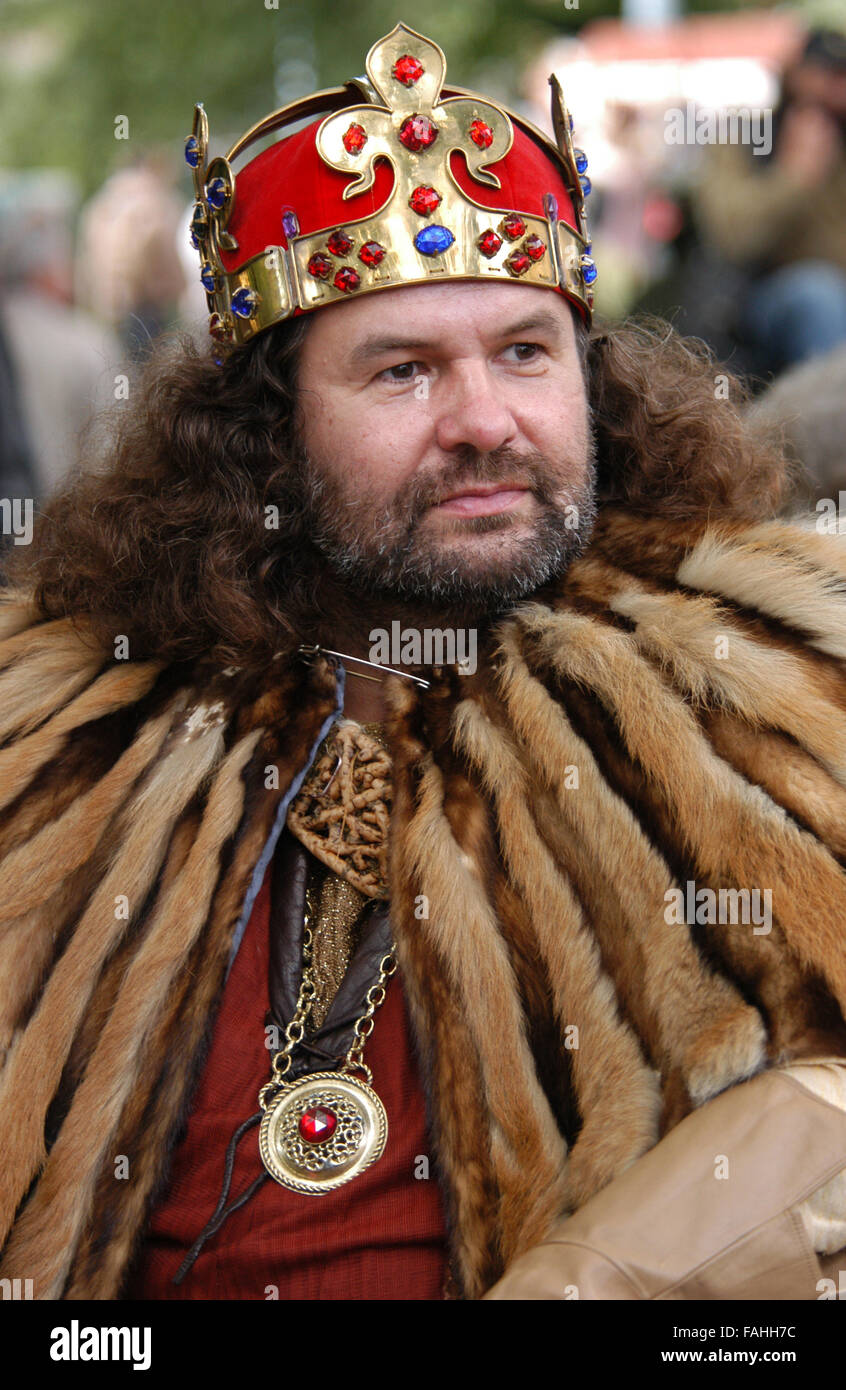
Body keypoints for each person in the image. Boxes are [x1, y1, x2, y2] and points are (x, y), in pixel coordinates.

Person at [0, 21, 845, 1303]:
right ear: (265, 431)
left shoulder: (774, 689)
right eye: (402, 372)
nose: (485, 423)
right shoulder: (64, 728)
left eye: (524, 350)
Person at [694, 27, 846, 374]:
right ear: (796, 75)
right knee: (817, 295)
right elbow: (732, 238)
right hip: (753, 306)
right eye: (828, 74)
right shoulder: (744, 139)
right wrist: (794, 178)